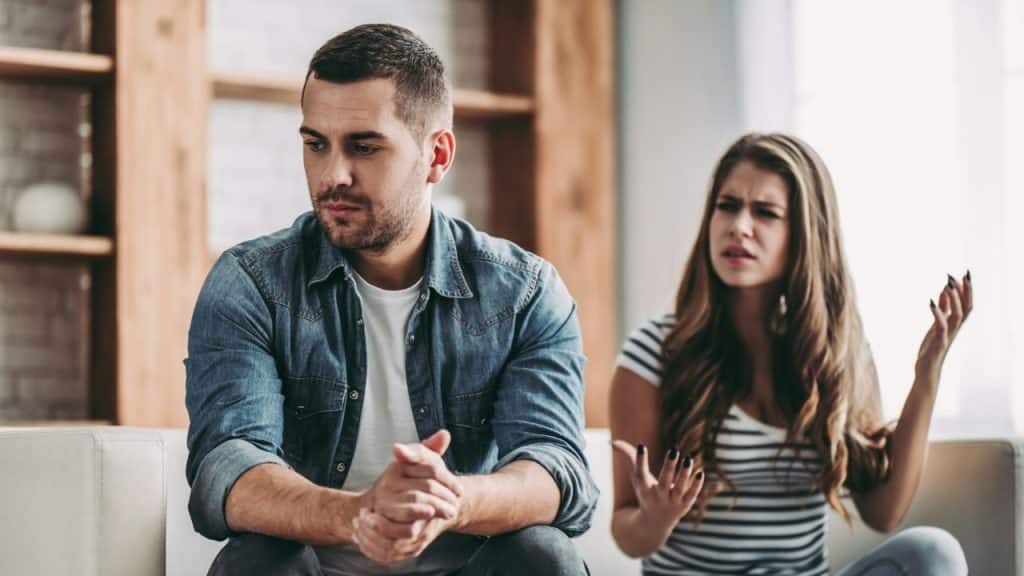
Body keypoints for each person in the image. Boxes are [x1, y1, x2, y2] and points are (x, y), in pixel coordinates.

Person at [185, 23, 595, 576]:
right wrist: (358, 514)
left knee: (543, 556)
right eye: (315, 144)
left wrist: (450, 501)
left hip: (466, 566)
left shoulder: (524, 292)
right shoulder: (252, 283)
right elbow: (228, 468)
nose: (333, 175)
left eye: (364, 146)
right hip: (317, 568)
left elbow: (557, 468)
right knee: (256, 560)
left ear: (437, 155)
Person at [609, 133, 972, 575]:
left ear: (804, 233)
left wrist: (926, 376)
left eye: (765, 212)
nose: (739, 225)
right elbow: (627, 534)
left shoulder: (839, 351)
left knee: (933, 553)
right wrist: (656, 517)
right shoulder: (654, 353)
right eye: (727, 205)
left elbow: (883, 513)